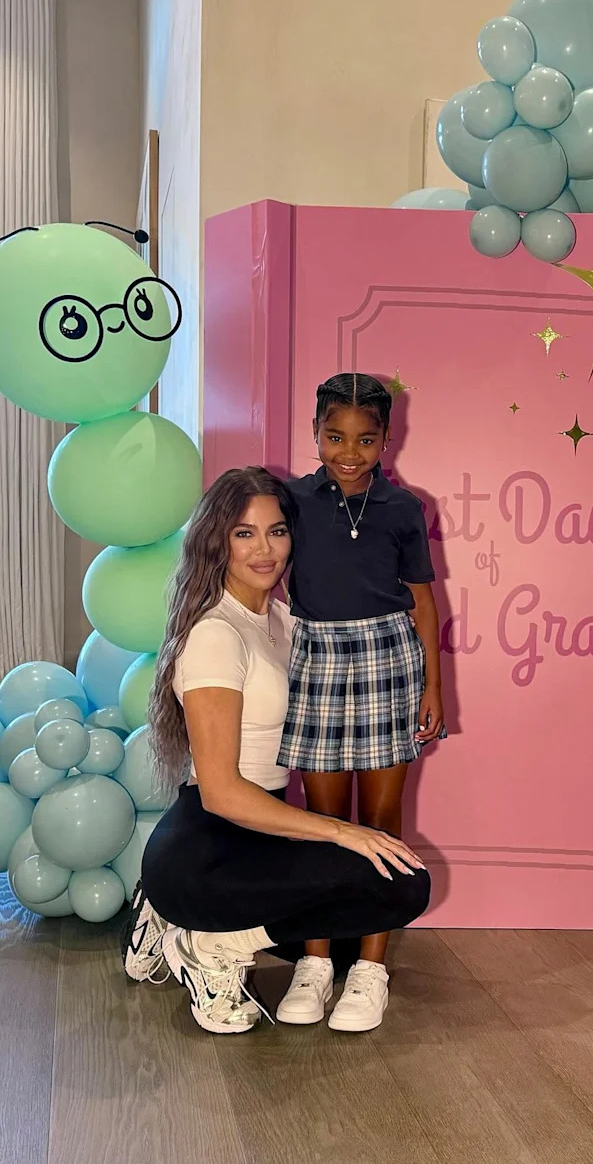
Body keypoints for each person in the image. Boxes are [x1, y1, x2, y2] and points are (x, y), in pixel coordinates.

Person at [125, 466, 430, 1035]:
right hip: (211, 843)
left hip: (267, 827)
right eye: (244, 533)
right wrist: (342, 832)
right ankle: (202, 941)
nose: (264, 550)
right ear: (215, 540)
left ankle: (176, 922)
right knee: (381, 884)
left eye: (277, 531)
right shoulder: (215, 634)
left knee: (371, 913)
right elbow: (221, 794)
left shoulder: (288, 621)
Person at [274, 372, 444, 1031]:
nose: (349, 452)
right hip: (316, 656)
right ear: (315, 433)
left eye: (365, 439)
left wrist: (433, 685)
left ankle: (370, 969)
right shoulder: (291, 500)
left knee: (378, 819)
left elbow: (423, 601)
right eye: (335, 436)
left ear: (386, 439)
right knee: (321, 820)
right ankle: (315, 962)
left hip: (388, 660)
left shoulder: (403, 508)